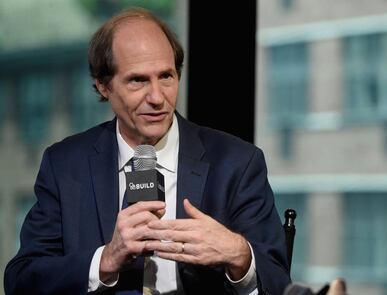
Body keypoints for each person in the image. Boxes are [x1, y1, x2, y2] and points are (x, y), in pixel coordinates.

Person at [4, 7, 290, 295]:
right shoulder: (65, 164)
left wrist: (239, 255)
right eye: (138, 80)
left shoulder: (237, 163)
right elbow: (21, 280)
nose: (157, 98)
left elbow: (278, 283)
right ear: (103, 86)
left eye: (166, 76)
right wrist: (105, 260)